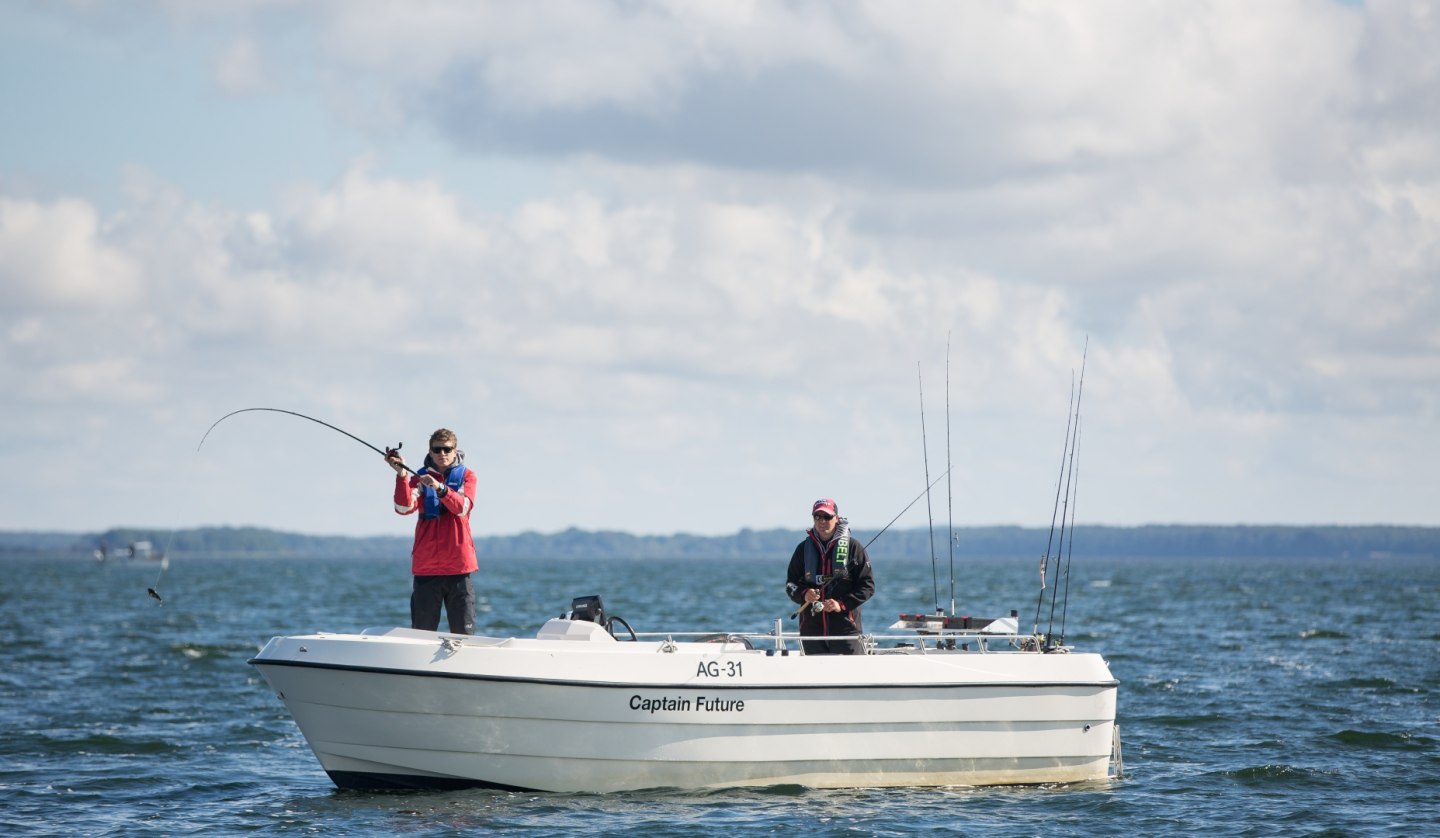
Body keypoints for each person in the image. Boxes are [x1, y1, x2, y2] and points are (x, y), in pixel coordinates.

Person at [386, 428, 479, 634]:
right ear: (430, 451)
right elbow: (403, 507)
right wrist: (402, 475)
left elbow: (462, 507)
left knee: (464, 635)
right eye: (437, 449)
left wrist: (440, 488)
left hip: (459, 569)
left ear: (455, 451)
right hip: (426, 568)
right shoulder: (419, 477)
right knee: (422, 634)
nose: (442, 454)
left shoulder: (467, 476)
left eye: (447, 449)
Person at [785, 498, 875, 655]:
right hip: (811, 631)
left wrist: (841, 604)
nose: (822, 521)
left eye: (827, 517)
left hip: (846, 630)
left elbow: (867, 586)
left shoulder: (853, 547)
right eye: (817, 517)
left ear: (837, 518)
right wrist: (804, 594)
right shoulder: (803, 549)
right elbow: (790, 584)